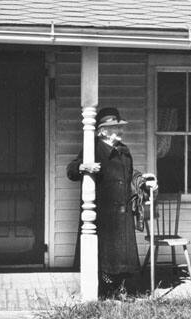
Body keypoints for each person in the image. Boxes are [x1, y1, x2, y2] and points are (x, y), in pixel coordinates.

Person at [67, 107, 156, 297]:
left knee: (123, 255)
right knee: (106, 255)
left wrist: (143, 179)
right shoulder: (93, 148)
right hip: (104, 212)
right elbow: (71, 170)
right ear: (104, 130)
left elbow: (130, 174)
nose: (121, 131)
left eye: (120, 127)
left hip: (123, 211)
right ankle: (105, 290)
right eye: (116, 128)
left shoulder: (124, 150)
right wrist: (84, 166)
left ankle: (122, 289)